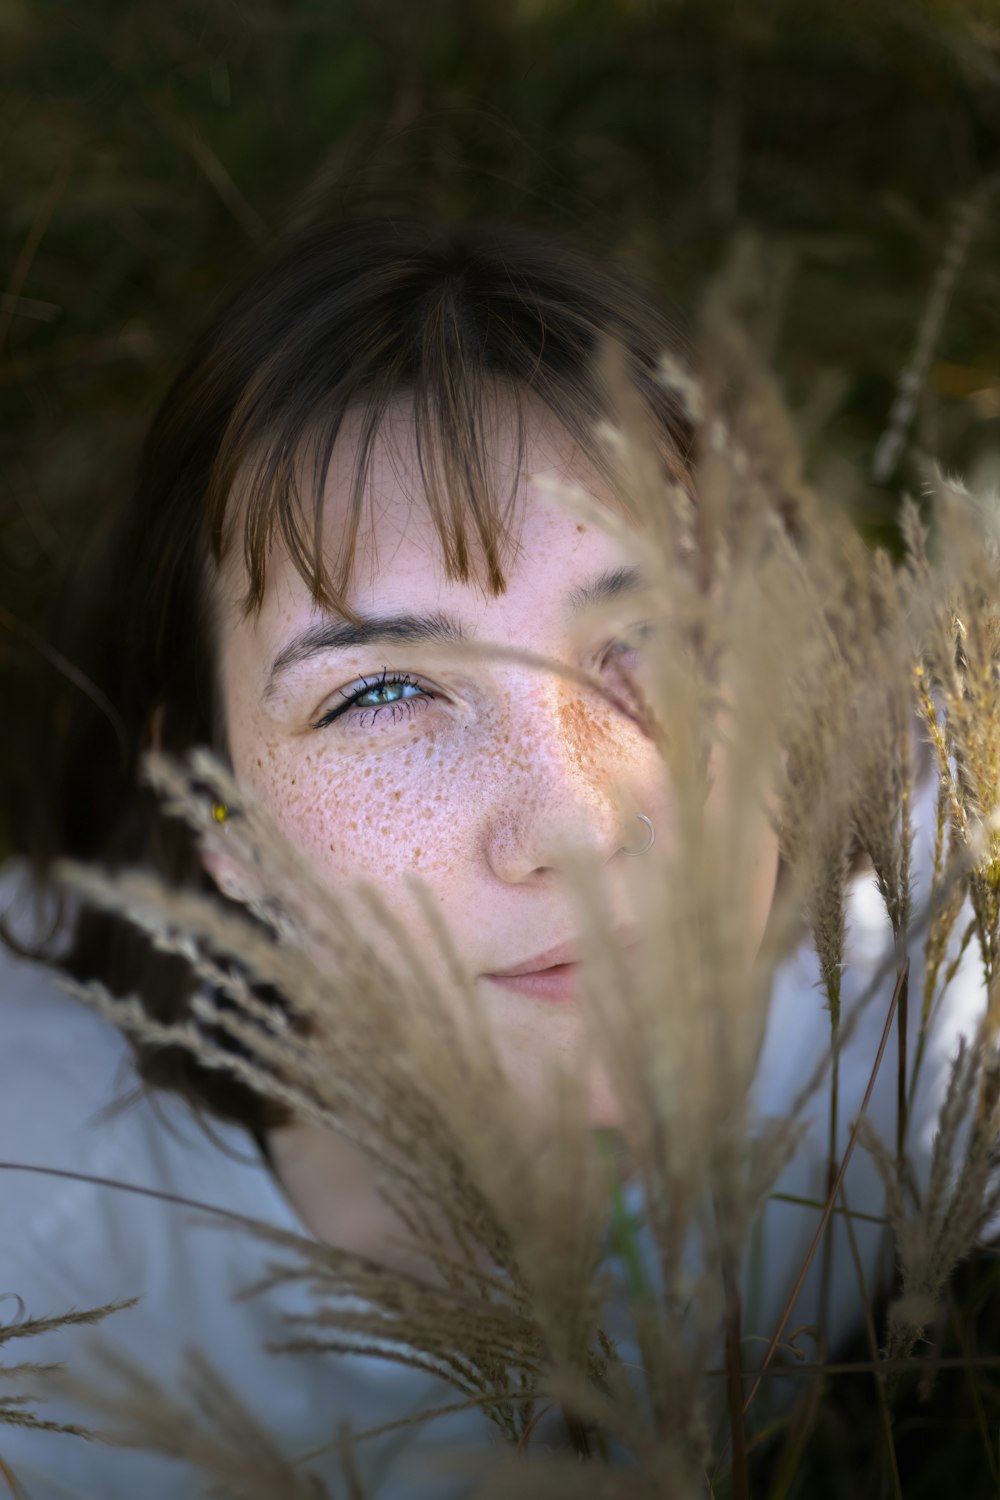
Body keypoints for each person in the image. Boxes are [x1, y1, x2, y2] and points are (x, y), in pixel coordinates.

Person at [0, 219, 986, 1498]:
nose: (576, 824)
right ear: (212, 817)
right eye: (382, 692)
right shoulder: (44, 1267)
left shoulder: (907, 999)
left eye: (659, 635)